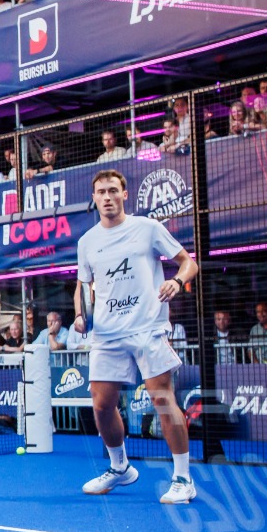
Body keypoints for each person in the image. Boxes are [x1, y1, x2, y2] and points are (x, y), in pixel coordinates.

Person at [74, 169, 200, 504]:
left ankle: (183, 479)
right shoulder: (86, 242)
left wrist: (177, 281)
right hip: (107, 334)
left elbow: (188, 263)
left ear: (124, 194)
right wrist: (80, 316)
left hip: (147, 327)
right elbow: (83, 286)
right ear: (94, 198)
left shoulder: (148, 228)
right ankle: (120, 468)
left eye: (113, 190)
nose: (107, 197)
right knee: (101, 404)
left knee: (162, 398)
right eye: (101, 192)